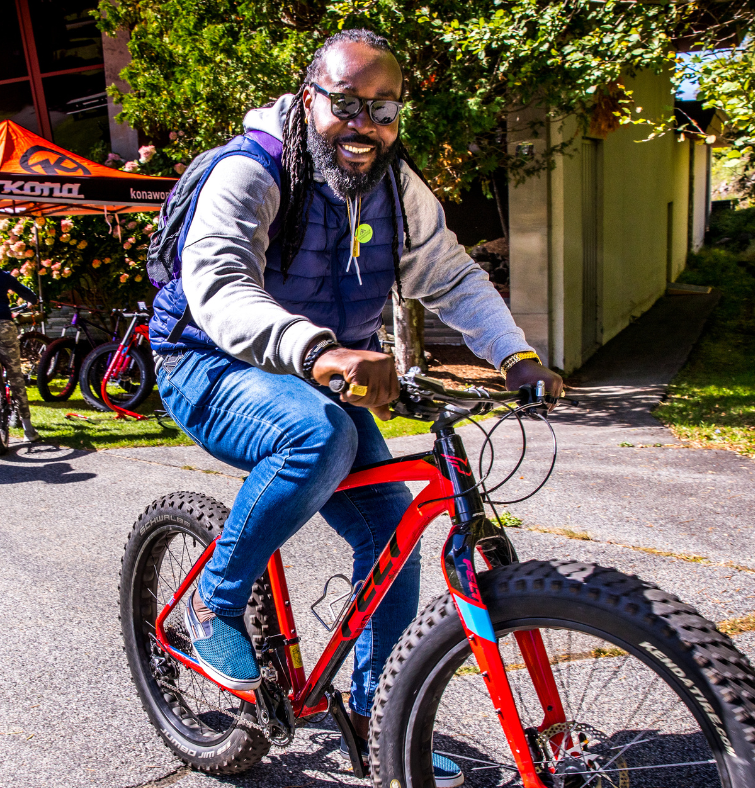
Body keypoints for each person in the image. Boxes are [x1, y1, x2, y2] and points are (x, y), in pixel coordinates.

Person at [150, 28, 563, 780]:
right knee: (317, 437)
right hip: (208, 360)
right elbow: (219, 284)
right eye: (346, 103)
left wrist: (516, 355)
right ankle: (213, 601)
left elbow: (452, 276)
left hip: (317, 369)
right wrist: (320, 351)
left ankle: (377, 724)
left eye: (384, 108)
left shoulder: (397, 188)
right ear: (310, 98)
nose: (364, 124)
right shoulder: (251, 172)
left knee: (393, 533)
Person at [0, 268, 40, 442]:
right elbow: (29, 295)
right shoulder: (3, 276)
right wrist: (32, 301)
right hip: (3, 326)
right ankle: (28, 429)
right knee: (15, 375)